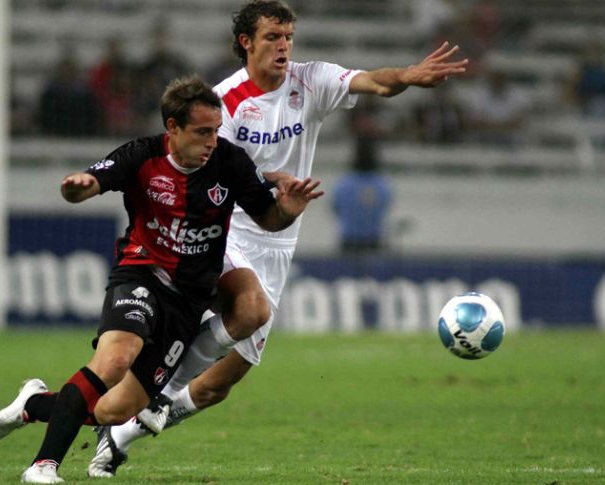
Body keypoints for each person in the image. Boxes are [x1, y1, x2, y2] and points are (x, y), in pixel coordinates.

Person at [89, 0, 468, 477]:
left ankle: (119, 434)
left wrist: (409, 75)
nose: (284, 46)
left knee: (217, 387)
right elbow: (214, 166)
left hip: (277, 235)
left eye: (288, 37)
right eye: (273, 37)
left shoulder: (311, 81)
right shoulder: (224, 101)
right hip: (225, 230)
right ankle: (144, 386)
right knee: (241, 310)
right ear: (247, 42)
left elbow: (373, 81)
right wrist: (271, 178)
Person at [0, 74, 322, 484]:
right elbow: (90, 183)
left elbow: (269, 218)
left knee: (113, 410)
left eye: (215, 130)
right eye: (202, 132)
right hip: (141, 274)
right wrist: (78, 188)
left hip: (188, 299)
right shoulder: (141, 156)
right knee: (115, 358)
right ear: (173, 128)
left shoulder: (229, 162)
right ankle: (43, 465)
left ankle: (34, 404)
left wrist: (289, 210)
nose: (212, 140)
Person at [333, 138, 393, 254]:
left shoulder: (344, 184)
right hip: (373, 241)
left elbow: (336, 209)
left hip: (349, 241)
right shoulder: (382, 184)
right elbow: (386, 206)